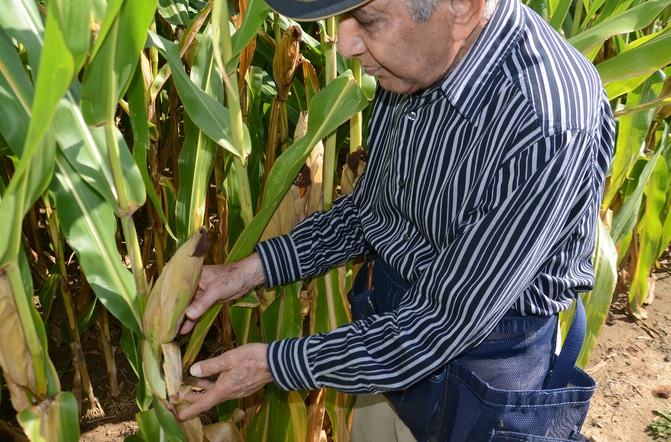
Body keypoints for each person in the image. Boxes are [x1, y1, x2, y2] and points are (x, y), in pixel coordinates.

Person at [177, 0, 615, 439]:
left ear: (462, 8)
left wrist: (271, 365)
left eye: (367, 20)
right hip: (381, 348)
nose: (345, 42)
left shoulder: (547, 120)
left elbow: (444, 320)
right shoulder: (412, 61)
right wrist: (246, 272)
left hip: (479, 376)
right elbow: (369, 212)